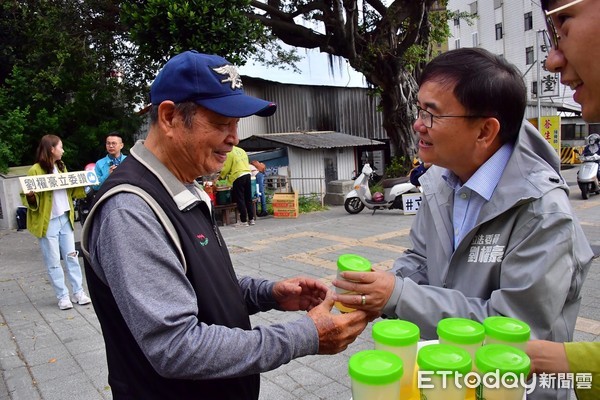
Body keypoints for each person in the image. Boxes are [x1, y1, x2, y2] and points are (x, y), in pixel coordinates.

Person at [81, 50, 374, 399]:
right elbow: (176, 346)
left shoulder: (183, 186)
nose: (234, 137)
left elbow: (196, 285)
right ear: (170, 117)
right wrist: (307, 335)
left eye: (236, 124)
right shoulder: (130, 210)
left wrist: (268, 293)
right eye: (222, 123)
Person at [332, 48, 593, 399]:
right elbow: (420, 258)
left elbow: (514, 331)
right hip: (448, 379)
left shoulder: (542, 213)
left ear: (485, 131)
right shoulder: (442, 181)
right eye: (419, 110)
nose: (418, 124)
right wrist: (377, 291)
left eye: (433, 114)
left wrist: (397, 296)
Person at [523, 2, 600, 399]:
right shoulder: (438, 186)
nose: (552, 60)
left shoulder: (542, 204)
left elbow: (523, 315)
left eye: (563, 22)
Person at [20, 134, 92, 310]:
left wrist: (84, 182)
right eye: (60, 146)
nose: (63, 150)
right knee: (53, 260)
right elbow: (28, 198)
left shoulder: (61, 166)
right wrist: (30, 196)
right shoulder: (35, 170)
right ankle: (62, 296)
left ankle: (78, 292)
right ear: (52, 149)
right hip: (48, 222)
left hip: (65, 219)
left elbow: (71, 191)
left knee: (72, 257)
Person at [219, 145, 255, 226]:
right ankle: (251, 219)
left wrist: (221, 176)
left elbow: (226, 167)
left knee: (240, 199)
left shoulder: (229, 152)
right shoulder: (242, 150)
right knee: (248, 198)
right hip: (247, 174)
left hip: (238, 175)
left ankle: (243, 221)